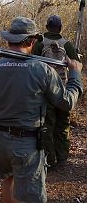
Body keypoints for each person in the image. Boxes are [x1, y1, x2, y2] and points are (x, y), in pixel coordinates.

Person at [0, 16, 83, 203]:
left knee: (8, 178)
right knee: (31, 198)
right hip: (27, 146)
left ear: (8, 40)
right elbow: (66, 103)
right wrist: (75, 75)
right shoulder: (43, 71)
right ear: (32, 41)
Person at [32, 15, 80, 169]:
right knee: (63, 125)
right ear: (60, 28)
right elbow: (77, 65)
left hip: (46, 90)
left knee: (48, 125)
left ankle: (50, 160)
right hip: (65, 90)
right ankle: (62, 158)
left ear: (47, 27)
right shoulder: (67, 45)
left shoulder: (39, 43)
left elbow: (33, 65)